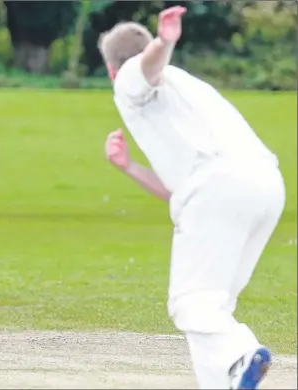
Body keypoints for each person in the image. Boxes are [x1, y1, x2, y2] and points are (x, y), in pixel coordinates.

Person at [99, 6, 284, 389]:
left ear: (112, 69)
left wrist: (164, 40)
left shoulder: (133, 76)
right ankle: (229, 379)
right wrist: (130, 168)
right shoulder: (191, 87)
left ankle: (241, 355)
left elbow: (144, 70)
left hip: (219, 185)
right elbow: (181, 193)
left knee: (192, 303)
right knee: (212, 307)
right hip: (264, 183)